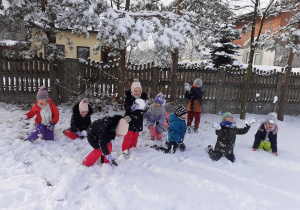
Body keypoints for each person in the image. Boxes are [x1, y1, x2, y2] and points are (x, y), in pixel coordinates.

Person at [122, 79, 148, 156]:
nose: (137, 93)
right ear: (132, 90)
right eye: (135, 91)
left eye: (139, 91)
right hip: (129, 119)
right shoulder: (129, 98)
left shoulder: (142, 99)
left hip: (138, 120)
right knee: (128, 135)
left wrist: (144, 108)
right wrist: (132, 108)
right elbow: (126, 108)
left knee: (135, 135)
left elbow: (144, 110)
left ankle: (133, 148)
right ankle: (125, 149)